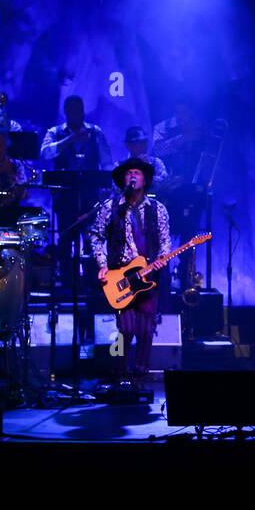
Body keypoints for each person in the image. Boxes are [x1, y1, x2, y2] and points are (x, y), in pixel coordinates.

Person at [90, 157, 172, 387]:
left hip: (148, 278)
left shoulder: (158, 209)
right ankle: (119, 374)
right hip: (121, 276)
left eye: (137, 172)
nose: (132, 176)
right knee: (125, 329)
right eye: (128, 173)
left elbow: (165, 241)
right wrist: (102, 263)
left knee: (146, 330)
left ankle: (139, 375)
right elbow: (96, 236)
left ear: (145, 179)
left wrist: (161, 260)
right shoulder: (111, 207)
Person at [40, 94, 112, 170]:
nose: (76, 115)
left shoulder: (95, 131)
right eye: (72, 112)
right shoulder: (54, 132)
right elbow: (45, 154)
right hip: (62, 180)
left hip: (90, 180)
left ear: (83, 112)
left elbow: (107, 163)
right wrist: (69, 139)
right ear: (66, 112)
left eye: (79, 111)